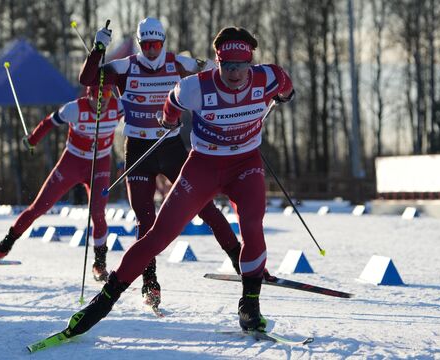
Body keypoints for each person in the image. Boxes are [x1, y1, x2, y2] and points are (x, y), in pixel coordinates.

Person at [57, 26, 295, 338]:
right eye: (228, 66)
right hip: (203, 167)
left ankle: (250, 305)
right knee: (158, 235)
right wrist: (168, 121)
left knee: (252, 225)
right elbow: (172, 102)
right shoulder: (195, 87)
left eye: (242, 66)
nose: (235, 74)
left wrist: (284, 96)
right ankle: (104, 301)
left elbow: (287, 89)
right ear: (217, 63)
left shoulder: (270, 77)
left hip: (245, 165)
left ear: (251, 63)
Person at [79, 17, 242, 308]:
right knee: (146, 220)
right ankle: (150, 284)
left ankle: (241, 261)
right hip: (138, 149)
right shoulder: (125, 67)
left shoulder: (180, 63)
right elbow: (88, 79)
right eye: (147, 45)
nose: (152, 50)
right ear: (140, 43)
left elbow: (217, 75)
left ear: (163, 41)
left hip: (171, 148)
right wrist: (98, 48)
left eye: (157, 44)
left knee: (205, 207)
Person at [0, 83, 125, 282]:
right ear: (89, 94)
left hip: (99, 165)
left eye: (107, 93)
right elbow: (49, 122)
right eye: (96, 95)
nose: (101, 100)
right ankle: (3, 248)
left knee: (98, 213)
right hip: (72, 162)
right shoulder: (74, 109)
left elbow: (141, 115)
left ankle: (99, 264)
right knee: (39, 207)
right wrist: (32, 140)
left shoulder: (118, 106)